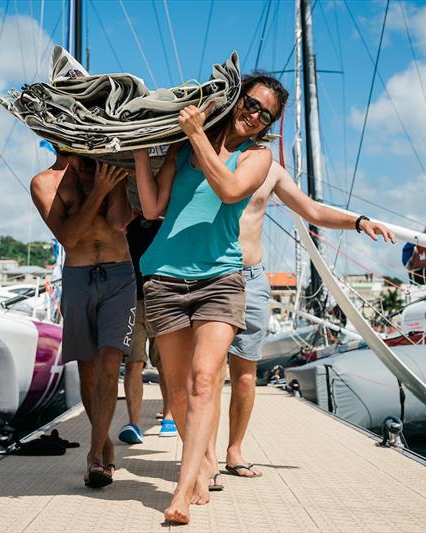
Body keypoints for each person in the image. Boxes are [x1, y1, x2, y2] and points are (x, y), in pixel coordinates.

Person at [132, 73, 282, 525]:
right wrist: (140, 149)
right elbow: (153, 208)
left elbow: (230, 191)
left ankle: (183, 487)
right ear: (236, 98)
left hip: (220, 278)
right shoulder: (180, 149)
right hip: (164, 277)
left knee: (203, 380)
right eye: (251, 103)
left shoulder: (257, 156)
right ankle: (201, 462)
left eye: (265, 114)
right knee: (176, 390)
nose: (254, 115)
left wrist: (197, 133)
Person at [211, 156, 396, 482]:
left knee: (244, 376)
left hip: (252, 279)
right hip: (211, 276)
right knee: (208, 375)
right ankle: (204, 457)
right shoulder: (211, 157)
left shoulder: (269, 169)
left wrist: (358, 221)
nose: (256, 118)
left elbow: (311, 210)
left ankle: (234, 450)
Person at [30, 152, 135, 489]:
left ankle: (95, 456)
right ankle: (103, 441)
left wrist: (109, 181)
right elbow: (69, 237)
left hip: (120, 273)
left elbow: (119, 222)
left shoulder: (113, 166)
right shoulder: (44, 183)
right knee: (87, 369)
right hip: (77, 275)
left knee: (109, 363)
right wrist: (99, 190)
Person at [119, 216, 177, 445]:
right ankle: (133, 422)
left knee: (166, 363)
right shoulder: (127, 219)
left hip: (163, 296)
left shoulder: (168, 216)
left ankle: (169, 417)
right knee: (134, 362)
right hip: (133, 298)